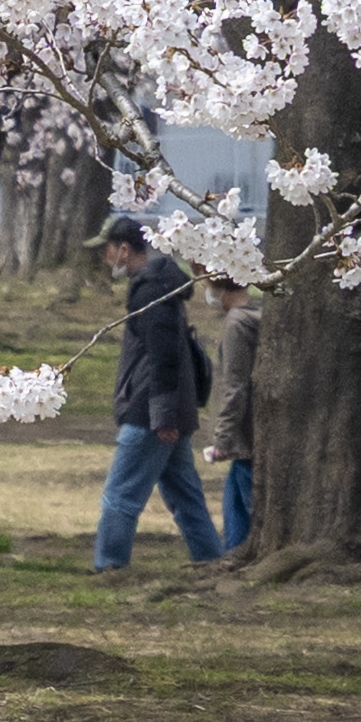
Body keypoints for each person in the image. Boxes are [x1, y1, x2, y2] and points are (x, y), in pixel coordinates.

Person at [95, 223, 225, 571]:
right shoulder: (161, 287)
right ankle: (211, 560)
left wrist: (163, 416)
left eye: (107, 249)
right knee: (186, 497)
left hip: (149, 414)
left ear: (124, 250)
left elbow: (163, 355)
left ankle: (109, 567)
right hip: (169, 411)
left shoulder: (150, 292)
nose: (105, 258)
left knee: (119, 496)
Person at [203, 272, 263, 558]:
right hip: (246, 441)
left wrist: (223, 438)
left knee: (247, 505)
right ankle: (232, 556)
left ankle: (242, 555)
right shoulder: (254, 316)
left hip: (245, 439)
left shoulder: (237, 324)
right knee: (234, 505)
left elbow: (235, 386)